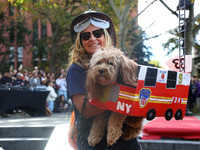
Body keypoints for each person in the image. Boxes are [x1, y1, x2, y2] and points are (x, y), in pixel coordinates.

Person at [66, 9, 141, 150]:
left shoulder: (121, 60)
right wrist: (124, 98)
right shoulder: (76, 70)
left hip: (126, 142)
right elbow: (87, 110)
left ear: (106, 35)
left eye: (98, 33)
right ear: (80, 41)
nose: (92, 38)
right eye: (86, 36)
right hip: (94, 144)